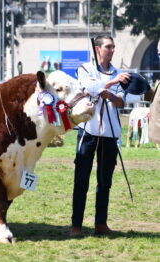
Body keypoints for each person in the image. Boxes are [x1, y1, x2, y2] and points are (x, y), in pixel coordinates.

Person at [71, 35, 131, 236]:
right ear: (98, 49)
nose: (112, 50)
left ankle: (100, 223)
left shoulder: (120, 73)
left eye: (113, 46)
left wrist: (111, 94)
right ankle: (76, 225)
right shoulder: (85, 69)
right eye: (108, 46)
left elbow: (122, 102)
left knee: (105, 181)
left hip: (110, 134)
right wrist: (109, 85)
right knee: (81, 181)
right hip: (88, 132)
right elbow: (91, 88)